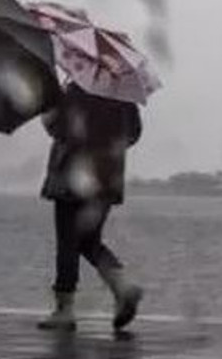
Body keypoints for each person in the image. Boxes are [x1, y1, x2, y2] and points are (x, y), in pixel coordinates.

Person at [37, 84, 143, 335]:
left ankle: (64, 310)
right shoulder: (123, 93)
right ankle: (122, 286)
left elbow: (58, 128)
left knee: (68, 242)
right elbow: (133, 133)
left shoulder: (74, 90)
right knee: (88, 240)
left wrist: (50, 107)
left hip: (71, 176)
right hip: (106, 176)